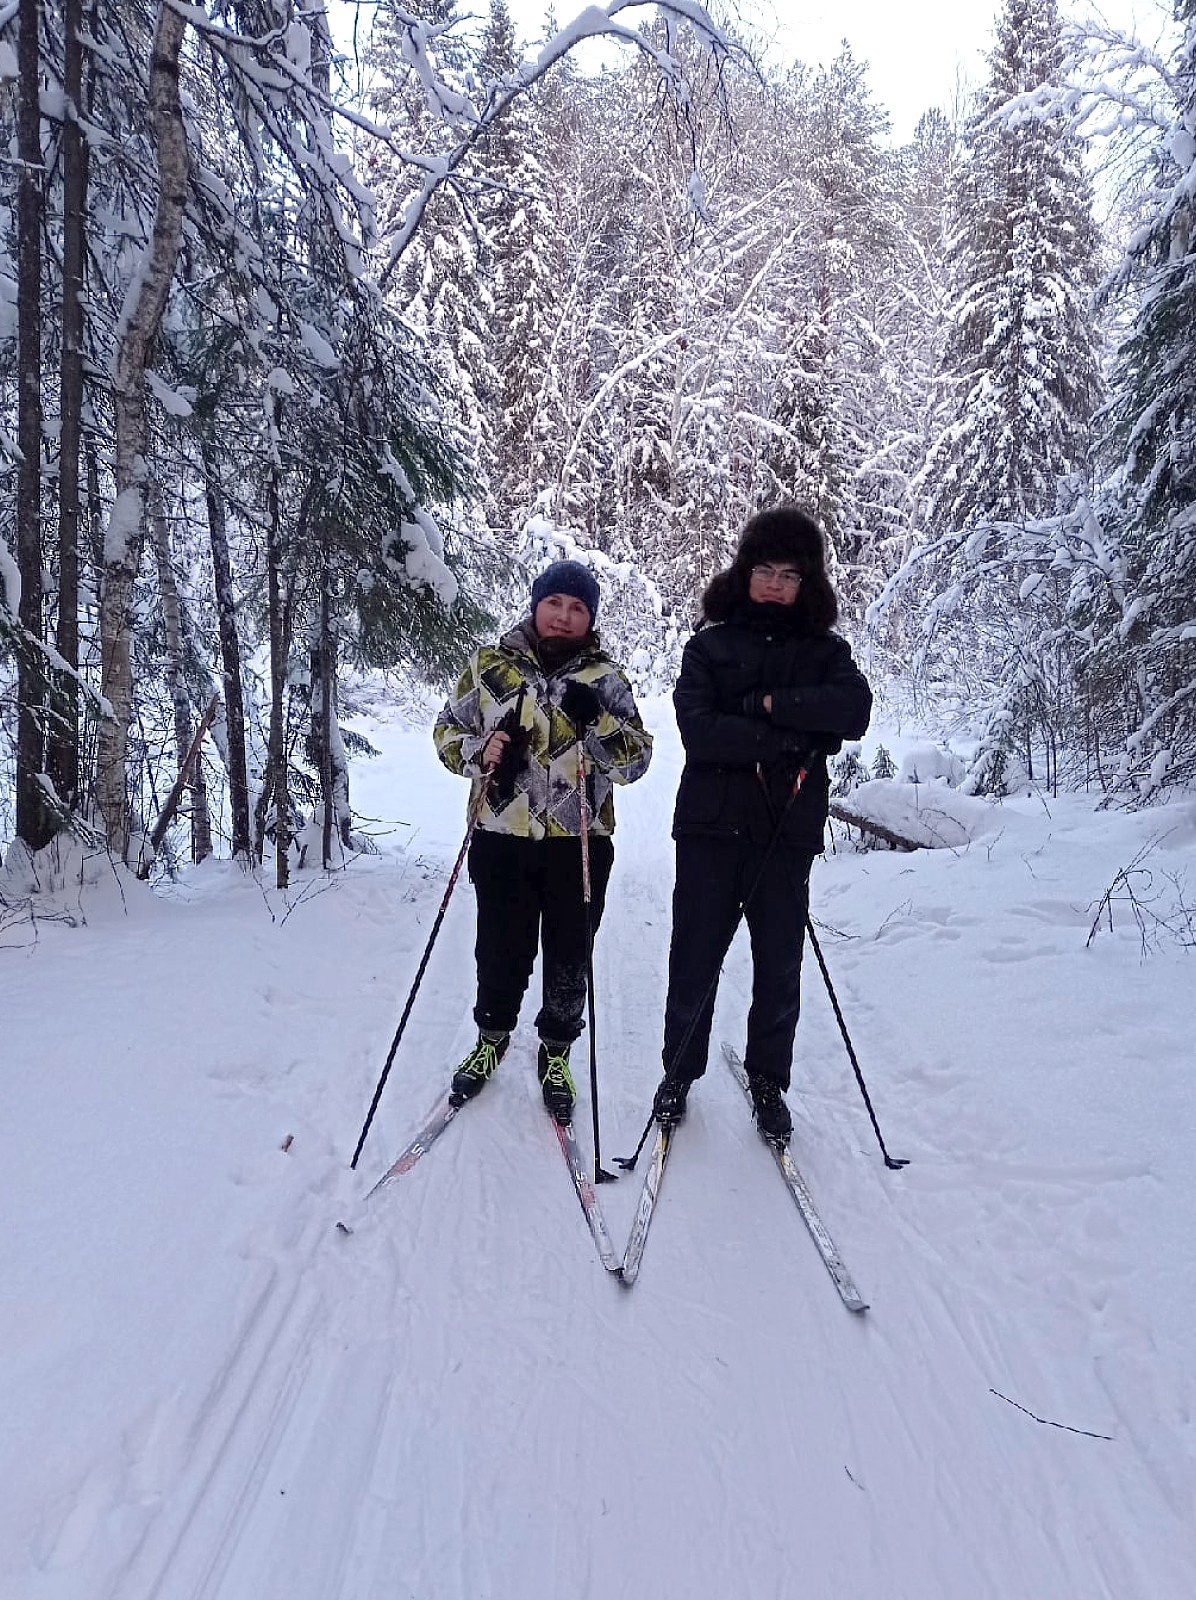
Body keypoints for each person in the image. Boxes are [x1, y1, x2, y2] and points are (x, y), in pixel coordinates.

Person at [651, 505, 872, 1143]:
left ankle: (769, 1081)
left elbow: (853, 712)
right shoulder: (709, 645)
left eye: (790, 575)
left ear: (808, 583)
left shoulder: (825, 651)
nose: (775, 584)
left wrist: (768, 703)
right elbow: (701, 731)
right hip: (710, 830)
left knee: (779, 966)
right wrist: (793, 737)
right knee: (694, 958)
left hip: (787, 832)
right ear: (744, 573)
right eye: (765, 571)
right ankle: (678, 1073)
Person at [433, 559, 653, 1124]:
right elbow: (447, 731)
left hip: (578, 844)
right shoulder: (490, 665)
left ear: (590, 618)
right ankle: (491, 1036)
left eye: (577, 608)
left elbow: (635, 762)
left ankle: (556, 1049)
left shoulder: (605, 679)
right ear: (536, 605)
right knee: (499, 947)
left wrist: (598, 722)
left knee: (570, 953)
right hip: (501, 835)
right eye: (554, 603)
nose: (564, 616)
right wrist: (481, 751)